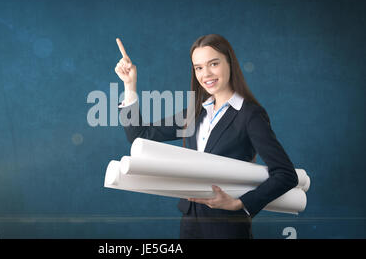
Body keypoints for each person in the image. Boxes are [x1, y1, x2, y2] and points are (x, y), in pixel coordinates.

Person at [114, 34, 298, 239]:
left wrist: (241, 204)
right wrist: (129, 86)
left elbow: (286, 174)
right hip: (191, 222)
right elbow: (139, 134)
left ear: (230, 63)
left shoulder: (250, 115)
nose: (206, 74)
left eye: (214, 64)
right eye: (199, 67)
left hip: (227, 226)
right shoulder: (195, 113)